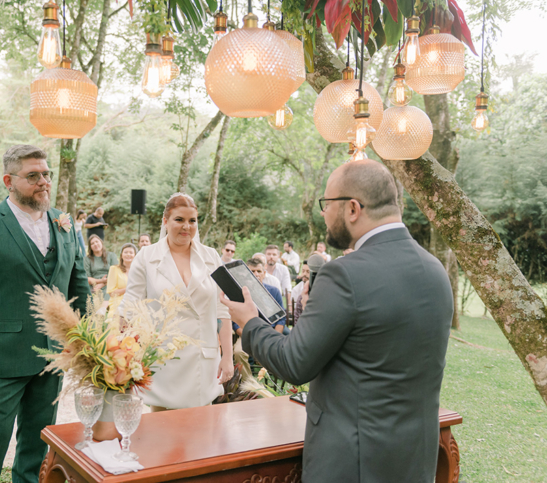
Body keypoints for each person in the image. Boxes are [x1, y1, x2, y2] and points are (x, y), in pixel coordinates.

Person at [221, 160, 453, 483]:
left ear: (353, 209)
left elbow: (293, 363)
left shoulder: (344, 274)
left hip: (352, 464)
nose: (324, 214)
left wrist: (250, 323)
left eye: (327, 204)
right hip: (414, 461)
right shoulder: (436, 271)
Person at [0, 144, 90, 483]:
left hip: (54, 356)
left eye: (46, 174)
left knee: (38, 442)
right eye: (33, 176)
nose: (43, 181)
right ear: (9, 180)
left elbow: (79, 286)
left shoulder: (65, 223)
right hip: (1, 359)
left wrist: (85, 341)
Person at [119, 193, 234, 411]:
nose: (187, 227)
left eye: (192, 221)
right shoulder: (146, 257)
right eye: (179, 220)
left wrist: (227, 356)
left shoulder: (211, 257)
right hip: (164, 363)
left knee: (202, 434)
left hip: (202, 361)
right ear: (165, 221)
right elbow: (130, 307)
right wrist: (123, 355)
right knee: (163, 436)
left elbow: (223, 311)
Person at [231, 258, 285, 337]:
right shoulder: (240, 294)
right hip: (249, 335)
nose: (256, 274)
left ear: (264, 273)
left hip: (272, 333)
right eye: (252, 271)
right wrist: (251, 339)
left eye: (259, 271)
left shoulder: (274, 291)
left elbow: (281, 319)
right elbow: (235, 323)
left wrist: (275, 337)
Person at [106, 243, 137, 317]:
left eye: (131, 252)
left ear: (135, 255)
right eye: (125, 252)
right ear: (121, 255)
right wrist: (128, 289)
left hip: (134, 301)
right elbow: (112, 293)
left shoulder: (138, 271)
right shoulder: (114, 269)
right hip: (118, 301)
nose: (128, 254)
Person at [83, 234, 118, 300]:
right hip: (94, 286)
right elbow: (87, 278)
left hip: (110, 283)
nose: (95, 244)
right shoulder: (87, 259)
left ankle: (104, 308)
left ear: (101, 242)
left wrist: (103, 284)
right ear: (90, 247)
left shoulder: (111, 256)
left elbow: (116, 274)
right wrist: (101, 281)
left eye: (97, 241)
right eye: (92, 243)